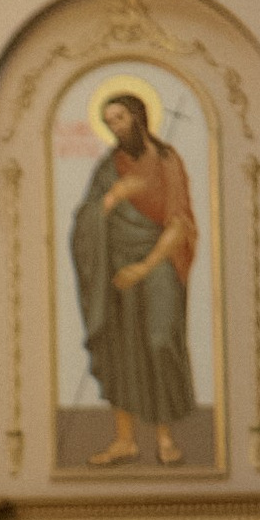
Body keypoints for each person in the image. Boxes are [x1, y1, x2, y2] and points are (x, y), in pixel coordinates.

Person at [70, 88, 197, 471]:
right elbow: (84, 223)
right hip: (115, 265)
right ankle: (125, 440)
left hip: (158, 261)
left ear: (139, 118)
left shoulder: (167, 162)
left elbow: (180, 224)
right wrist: (111, 200)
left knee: (160, 341)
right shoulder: (109, 168)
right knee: (120, 346)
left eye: (120, 119)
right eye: (108, 122)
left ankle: (165, 438)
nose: (114, 128)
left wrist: (145, 267)